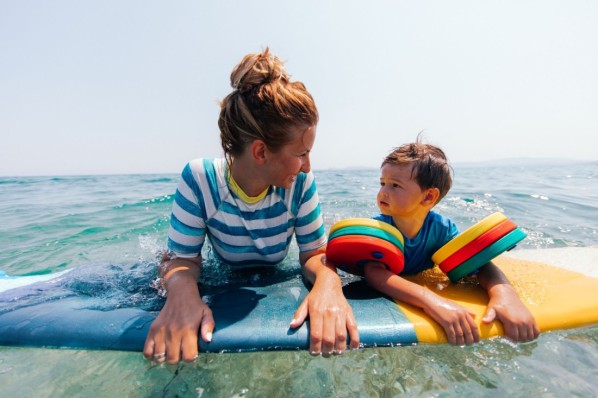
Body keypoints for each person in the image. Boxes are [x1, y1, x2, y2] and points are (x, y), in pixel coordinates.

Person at [143, 48, 359, 364]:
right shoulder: (200, 180)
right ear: (260, 152)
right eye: (301, 154)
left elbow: (313, 254)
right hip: (225, 273)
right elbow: (182, 260)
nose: (307, 167)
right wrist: (181, 291)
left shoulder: (299, 185)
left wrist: (329, 283)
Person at [363, 138, 540, 345]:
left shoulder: (442, 229)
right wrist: (432, 301)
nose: (383, 191)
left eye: (395, 185)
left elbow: (478, 265)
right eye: (382, 183)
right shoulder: (378, 230)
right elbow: (374, 273)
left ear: (428, 197)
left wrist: (504, 294)